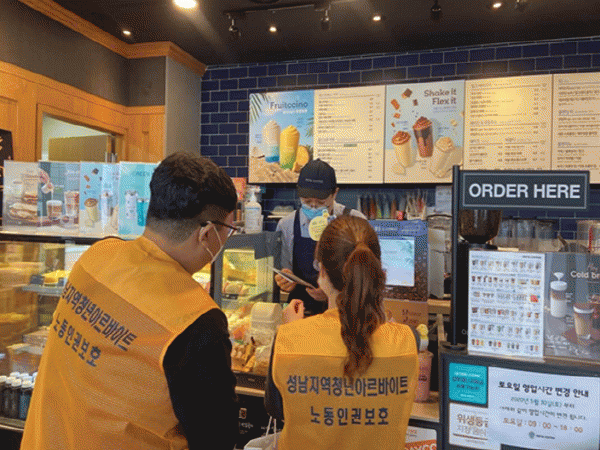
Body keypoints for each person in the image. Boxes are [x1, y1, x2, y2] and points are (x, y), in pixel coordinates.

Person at [21, 152, 240, 450]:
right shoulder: (196, 320)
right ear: (207, 233)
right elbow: (216, 438)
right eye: (229, 230)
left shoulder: (97, 256)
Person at [265, 215, 419, 450]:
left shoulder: (289, 338)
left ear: (322, 272)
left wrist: (289, 329)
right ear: (375, 269)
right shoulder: (407, 340)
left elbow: (276, 408)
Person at [275, 159, 366, 316]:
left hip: (345, 316)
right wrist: (285, 281)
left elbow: (366, 276)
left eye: (321, 202)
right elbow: (285, 271)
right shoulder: (287, 225)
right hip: (301, 314)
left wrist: (333, 292)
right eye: (307, 201)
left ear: (335, 193)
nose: (313, 207)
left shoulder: (355, 221)